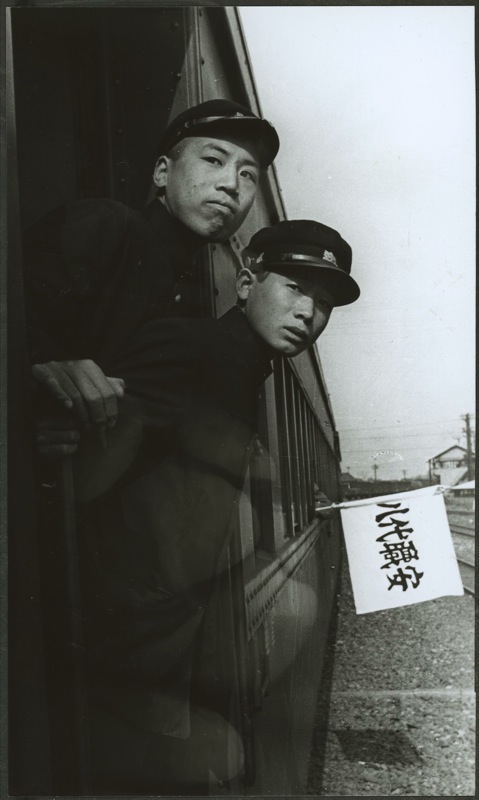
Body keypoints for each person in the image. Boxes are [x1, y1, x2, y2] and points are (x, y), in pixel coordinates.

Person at [52, 219, 360, 793]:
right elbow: (82, 467)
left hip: (163, 650)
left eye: (323, 304)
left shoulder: (243, 367)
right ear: (245, 284)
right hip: (129, 657)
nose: (307, 313)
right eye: (295, 288)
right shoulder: (191, 348)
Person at [23, 98, 279, 440]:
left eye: (248, 175)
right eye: (213, 160)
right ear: (162, 172)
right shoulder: (106, 225)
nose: (231, 184)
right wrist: (44, 378)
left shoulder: (183, 283)